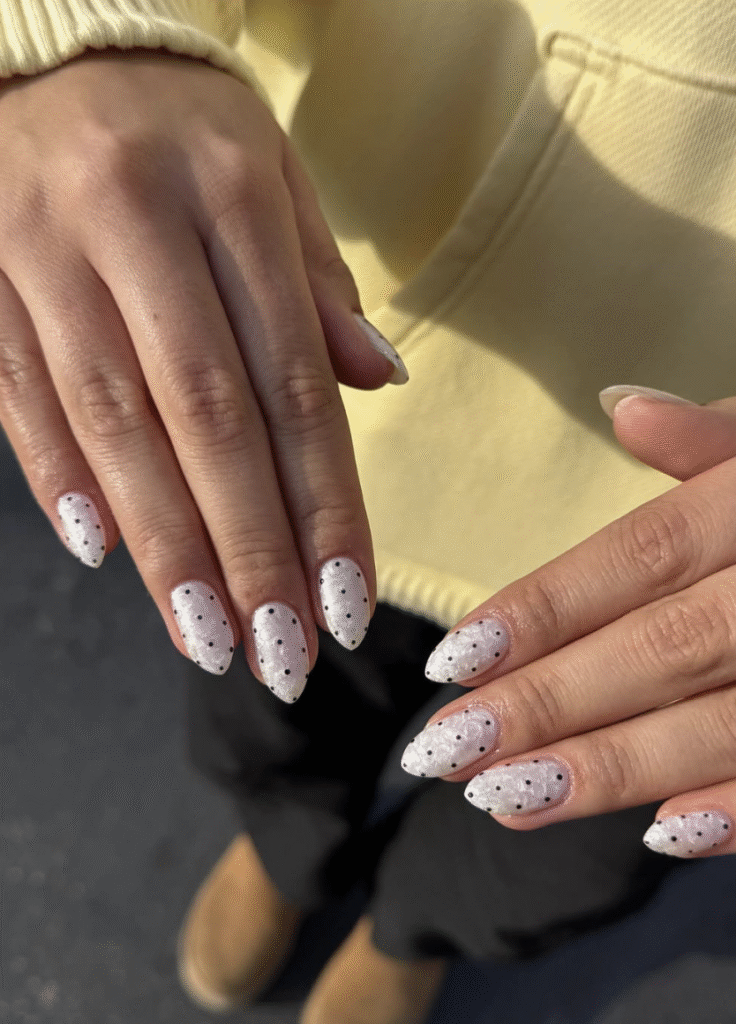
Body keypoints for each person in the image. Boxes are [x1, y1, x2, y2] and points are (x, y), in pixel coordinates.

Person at [2, 2, 736, 1022]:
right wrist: (64, 42)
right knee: (274, 708)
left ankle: (413, 929)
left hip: (701, 595)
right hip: (350, 442)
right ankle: (288, 848)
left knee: (554, 852)